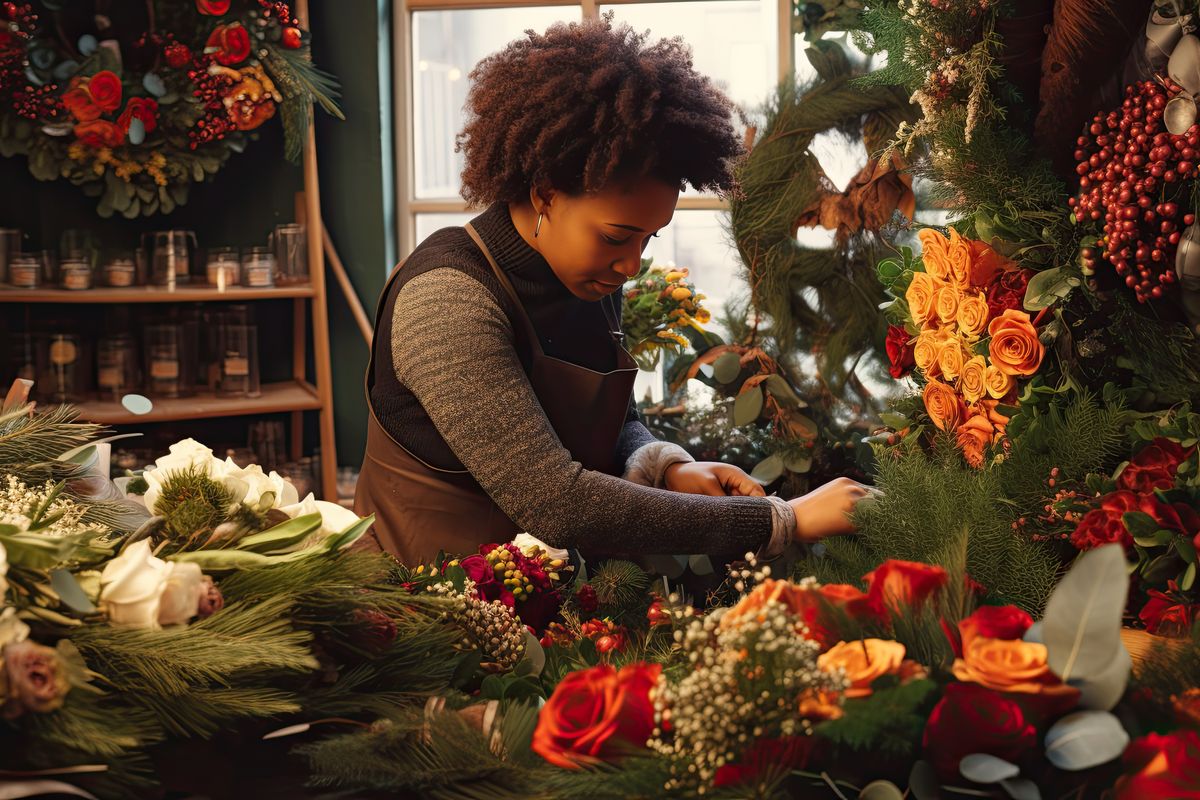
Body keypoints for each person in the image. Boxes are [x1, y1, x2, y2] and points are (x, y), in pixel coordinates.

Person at [355, 15, 872, 566]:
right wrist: (782, 520)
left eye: (650, 238)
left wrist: (665, 463)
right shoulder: (446, 301)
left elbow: (609, 420)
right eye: (616, 236)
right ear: (546, 193)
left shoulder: (589, 274)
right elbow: (555, 501)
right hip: (423, 608)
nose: (632, 265)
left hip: (542, 594)